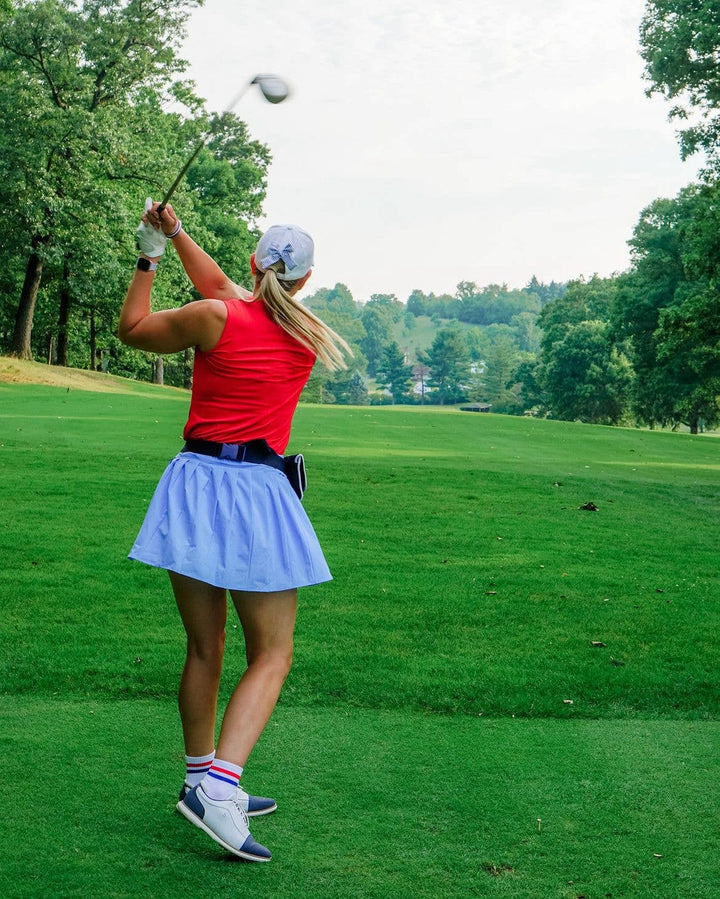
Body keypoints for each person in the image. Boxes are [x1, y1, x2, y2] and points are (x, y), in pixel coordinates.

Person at [119, 200, 350, 862]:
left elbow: (133, 326)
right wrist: (179, 234)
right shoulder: (309, 334)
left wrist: (151, 252)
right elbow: (230, 293)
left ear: (254, 262)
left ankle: (203, 778)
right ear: (303, 281)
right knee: (272, 652)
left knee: (205, 647)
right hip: (259, 493)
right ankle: (216, 788)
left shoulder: (214, 314)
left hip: (194, 486)